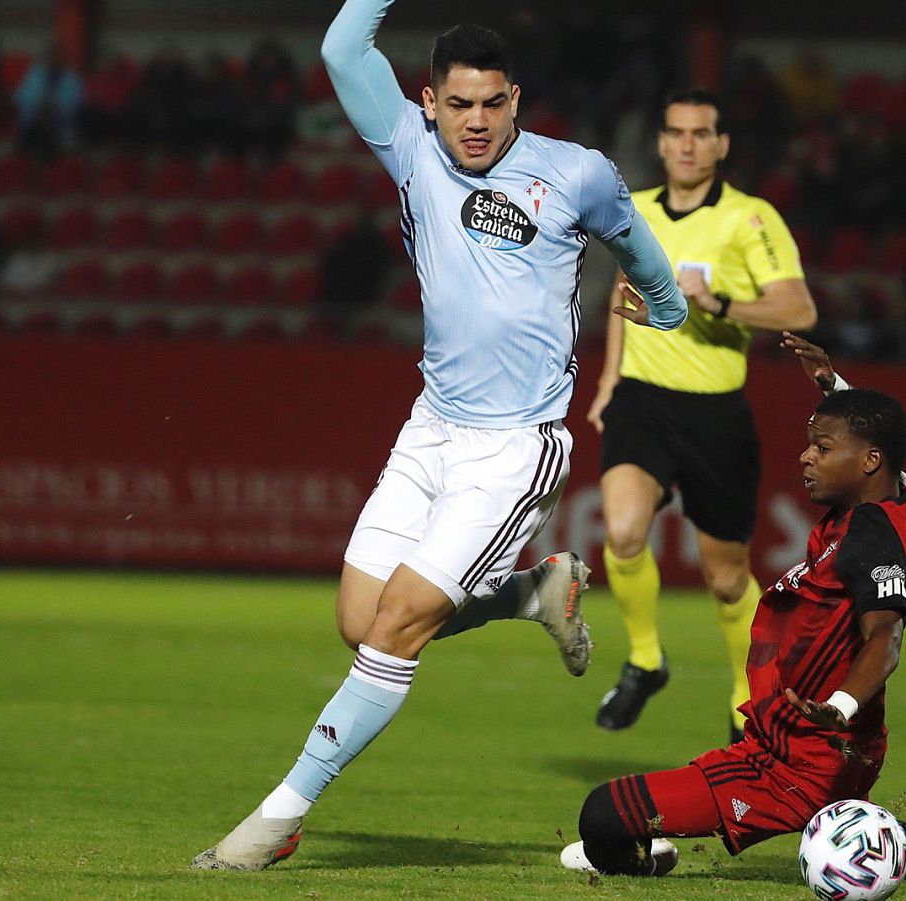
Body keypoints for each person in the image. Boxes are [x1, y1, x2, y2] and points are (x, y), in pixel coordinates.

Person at [190, 0, 688, 872]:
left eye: (493, 103)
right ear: (428, 102)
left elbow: (643, 254)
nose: (477, 122)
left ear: (516, 99)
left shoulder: (577, 173)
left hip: (515, 445)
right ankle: (530, 593)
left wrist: (671, 307)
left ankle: (277, 816)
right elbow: (344, 44)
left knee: (398, 628)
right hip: (431, 430)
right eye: (460, 105)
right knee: (359, 620)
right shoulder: (407, 147)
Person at [561, 362, 906, 894]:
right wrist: (837, 388)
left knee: (602, 816)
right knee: (848, 821)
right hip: (847, 741)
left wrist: (839, 706)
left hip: (798, 752)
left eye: (823, 449)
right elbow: (885, 449)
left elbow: (886, 638)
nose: (806, 457)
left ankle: (648, 857)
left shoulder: (869, 539)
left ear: (868, 461)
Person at [588, 89, 816, 743]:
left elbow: (798, 310)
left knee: (724, 577)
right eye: (676, 132)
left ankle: (748, 693)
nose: (688, 144)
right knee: (624, 528)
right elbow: (619, 298)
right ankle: (644, 657)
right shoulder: (636, 213)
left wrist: (718, 303)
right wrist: (608, 381)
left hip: (716, 412)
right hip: (643, 399)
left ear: (722, 145)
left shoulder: (751, 219)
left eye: (702, 133)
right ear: (660, 142)